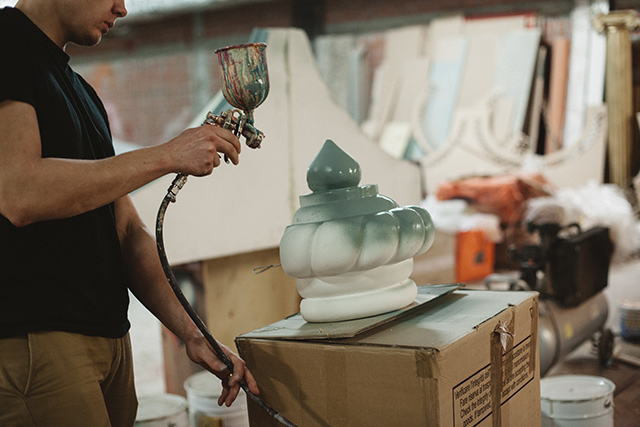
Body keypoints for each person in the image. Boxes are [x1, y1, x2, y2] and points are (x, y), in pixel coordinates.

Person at [0, 0, 260, 425]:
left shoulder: (80, 91)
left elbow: (125, 230)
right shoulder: (7, 42)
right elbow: (18, 192)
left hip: (108, 337)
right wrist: (168, 155)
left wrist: (192, 332)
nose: (122, 8)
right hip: (41, 336)